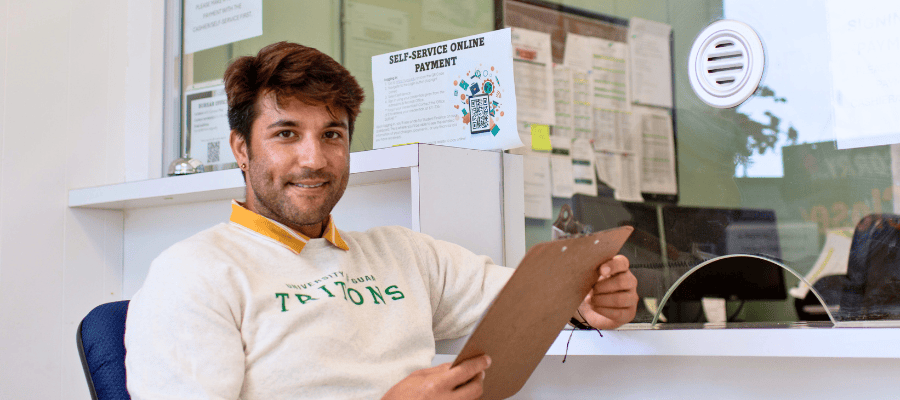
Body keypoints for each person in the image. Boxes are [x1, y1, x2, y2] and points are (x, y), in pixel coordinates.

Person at [124, 41, 638, 400]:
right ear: (241, 148)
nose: (314, 159)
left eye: (332, 134)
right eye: (285, 134)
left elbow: (525, 299)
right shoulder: (192, 275)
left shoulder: (404, 254)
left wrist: (585, 302)